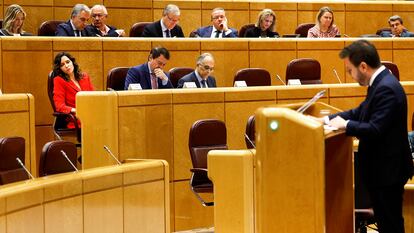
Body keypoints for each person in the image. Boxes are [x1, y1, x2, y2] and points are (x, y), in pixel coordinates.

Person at [326, 40, 413, 233]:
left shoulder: (386, 88)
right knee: (388, 223)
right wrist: (327, 119)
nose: (350, 76)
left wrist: (346, 125)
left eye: (350, 71)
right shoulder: (381, 83)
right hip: (385, 170)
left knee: (390, 225)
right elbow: (360, 112)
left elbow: (375, 129)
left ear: (363, 66)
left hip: (387, 172)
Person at [53, 52, 94, 128]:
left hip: (91, 115)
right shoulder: (58, 80)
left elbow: (94, 98)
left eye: (68, 62)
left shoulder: (84, 77)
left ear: (72, 62)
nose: (66, 66)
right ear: (60, 68)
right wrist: (76, 110)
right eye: (62, 65)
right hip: (76, 119)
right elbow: (59, 106)